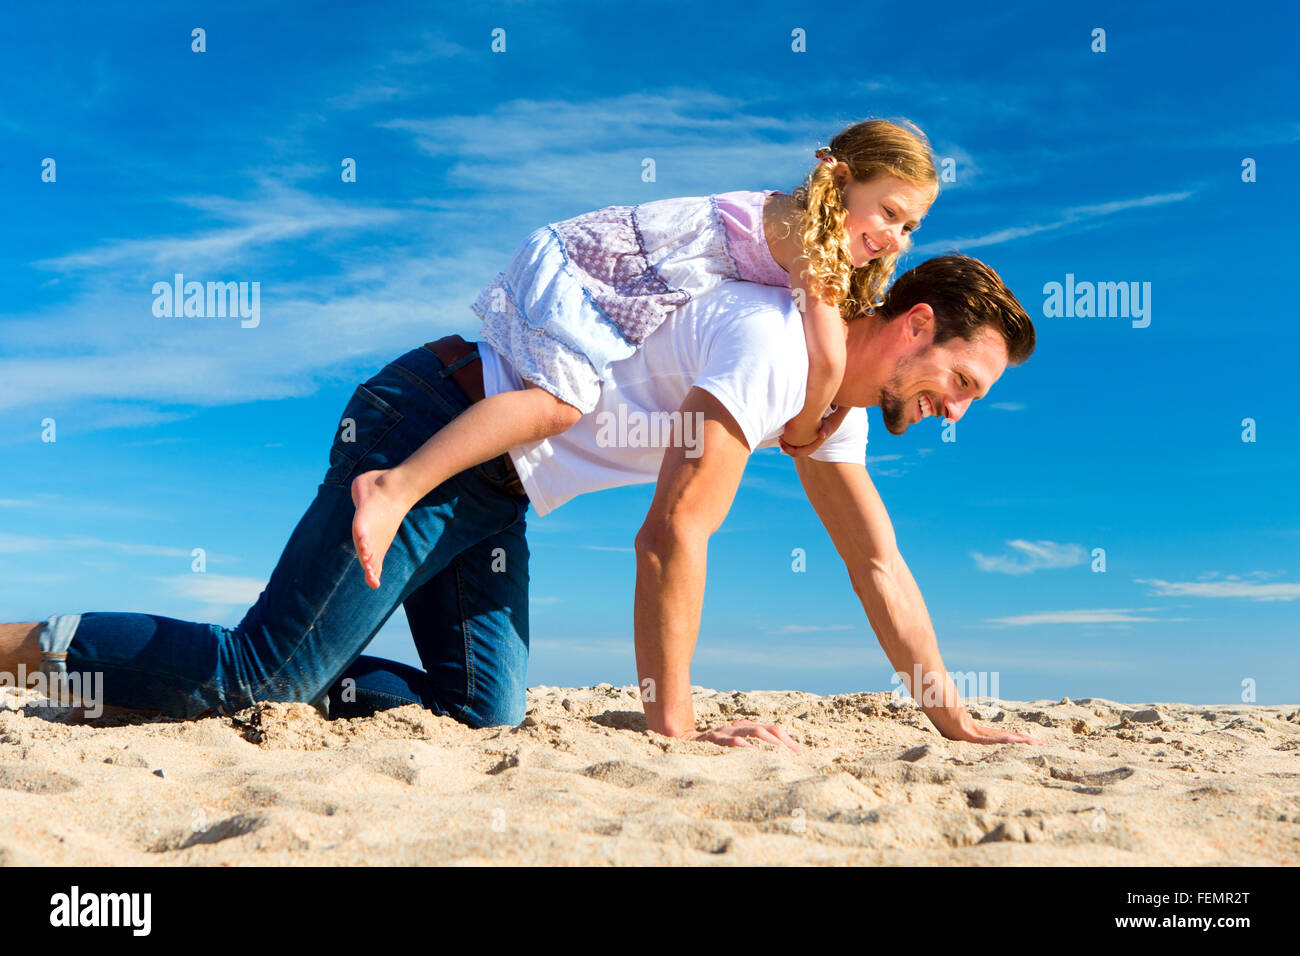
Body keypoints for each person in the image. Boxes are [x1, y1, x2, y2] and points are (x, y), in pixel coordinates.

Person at [0, 254, 1041, 751]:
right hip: (431, 425)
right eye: (962, 384)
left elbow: (875, 561)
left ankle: (319, 655)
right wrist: (673, 727)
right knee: (252, 673)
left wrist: (948, 714)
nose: (953, 412)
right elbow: (673, 530)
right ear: (912, 325)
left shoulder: (830, 408)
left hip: (502, 496)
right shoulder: (775, 343)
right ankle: (24, 643)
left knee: (480, 714)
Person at [348, 118, 938, 589]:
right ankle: (393, 487)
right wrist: (808, 427)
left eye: (910, 226)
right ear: (839, 183)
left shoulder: (817, 236)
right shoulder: (813, 241)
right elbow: (830, 359)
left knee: (555, 403)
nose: (896, 238)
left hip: (622, 283)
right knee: (556, 406)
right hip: (597, 274)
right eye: (888, 213)